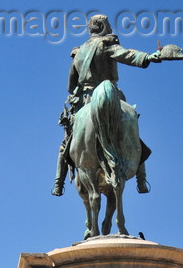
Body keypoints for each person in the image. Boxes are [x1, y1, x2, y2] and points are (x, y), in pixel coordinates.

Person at [52, 13, 161, 197]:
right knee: (132, 127)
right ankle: (141, 180)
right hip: (112, 96)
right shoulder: (106, 45)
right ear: (105, 27)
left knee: (66, 144)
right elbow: (127, 55)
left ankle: (58, 183)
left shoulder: (78, 52)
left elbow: (71, 86)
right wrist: (148, 57)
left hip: (84, 100)